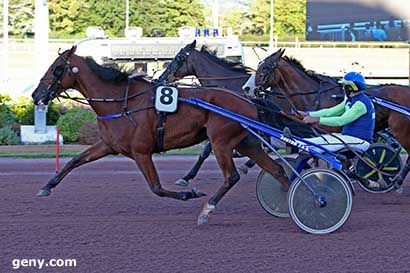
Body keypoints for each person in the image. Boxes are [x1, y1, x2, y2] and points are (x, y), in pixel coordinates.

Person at [298, 71, 375, 153]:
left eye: (344, 86)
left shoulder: (360, 104)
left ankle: (297, 144)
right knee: (323, 139)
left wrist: (317, 120)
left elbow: (341, 121)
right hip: (349, 138)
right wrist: (308, 114)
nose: (343, 88)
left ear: (349, 88)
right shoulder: (351, 100)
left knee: (317, 145)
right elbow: (330, 112)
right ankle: (297, 142)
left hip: (359, 141)